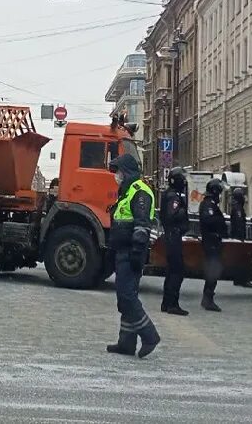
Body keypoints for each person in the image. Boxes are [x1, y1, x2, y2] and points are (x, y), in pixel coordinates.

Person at [105, 153, 160, 359]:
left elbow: (142, 225)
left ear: (126, 172)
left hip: (131, 252)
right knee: (125, 297)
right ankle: (126, 342)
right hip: (123, 251)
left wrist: (137, 252)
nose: (116, 176)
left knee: (127, 297)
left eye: (118, 171)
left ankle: (149, 335)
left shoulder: (140, 192)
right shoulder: (127, 191)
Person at [159, 167, 190, 316]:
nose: (184, 181)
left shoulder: (171, 194)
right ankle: (172, 303)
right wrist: (183, 212)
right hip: (173, 236)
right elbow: (172, 215)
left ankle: (166, 303)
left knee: (172, 271)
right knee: (177, 271)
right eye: (182, 178)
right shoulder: (173, 197)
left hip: (171, 235)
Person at [199, 179, 228, 312]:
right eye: (220, 191)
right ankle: (208, 299)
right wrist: (220, 223)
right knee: (212, 271)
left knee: (214, 271)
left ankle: (208, 298)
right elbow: (209, 220)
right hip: (211, 242)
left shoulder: (211, 204)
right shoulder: (208, 204)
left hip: (214, 241)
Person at [229, 187, 252, 288]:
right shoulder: (237, 208)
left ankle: (239, 278)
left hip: (237, 236)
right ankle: (242, 279)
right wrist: (241, 238)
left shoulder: (236, 207)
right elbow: (239, 223)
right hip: (238, 237)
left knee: (239, 259)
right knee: (242, 258)